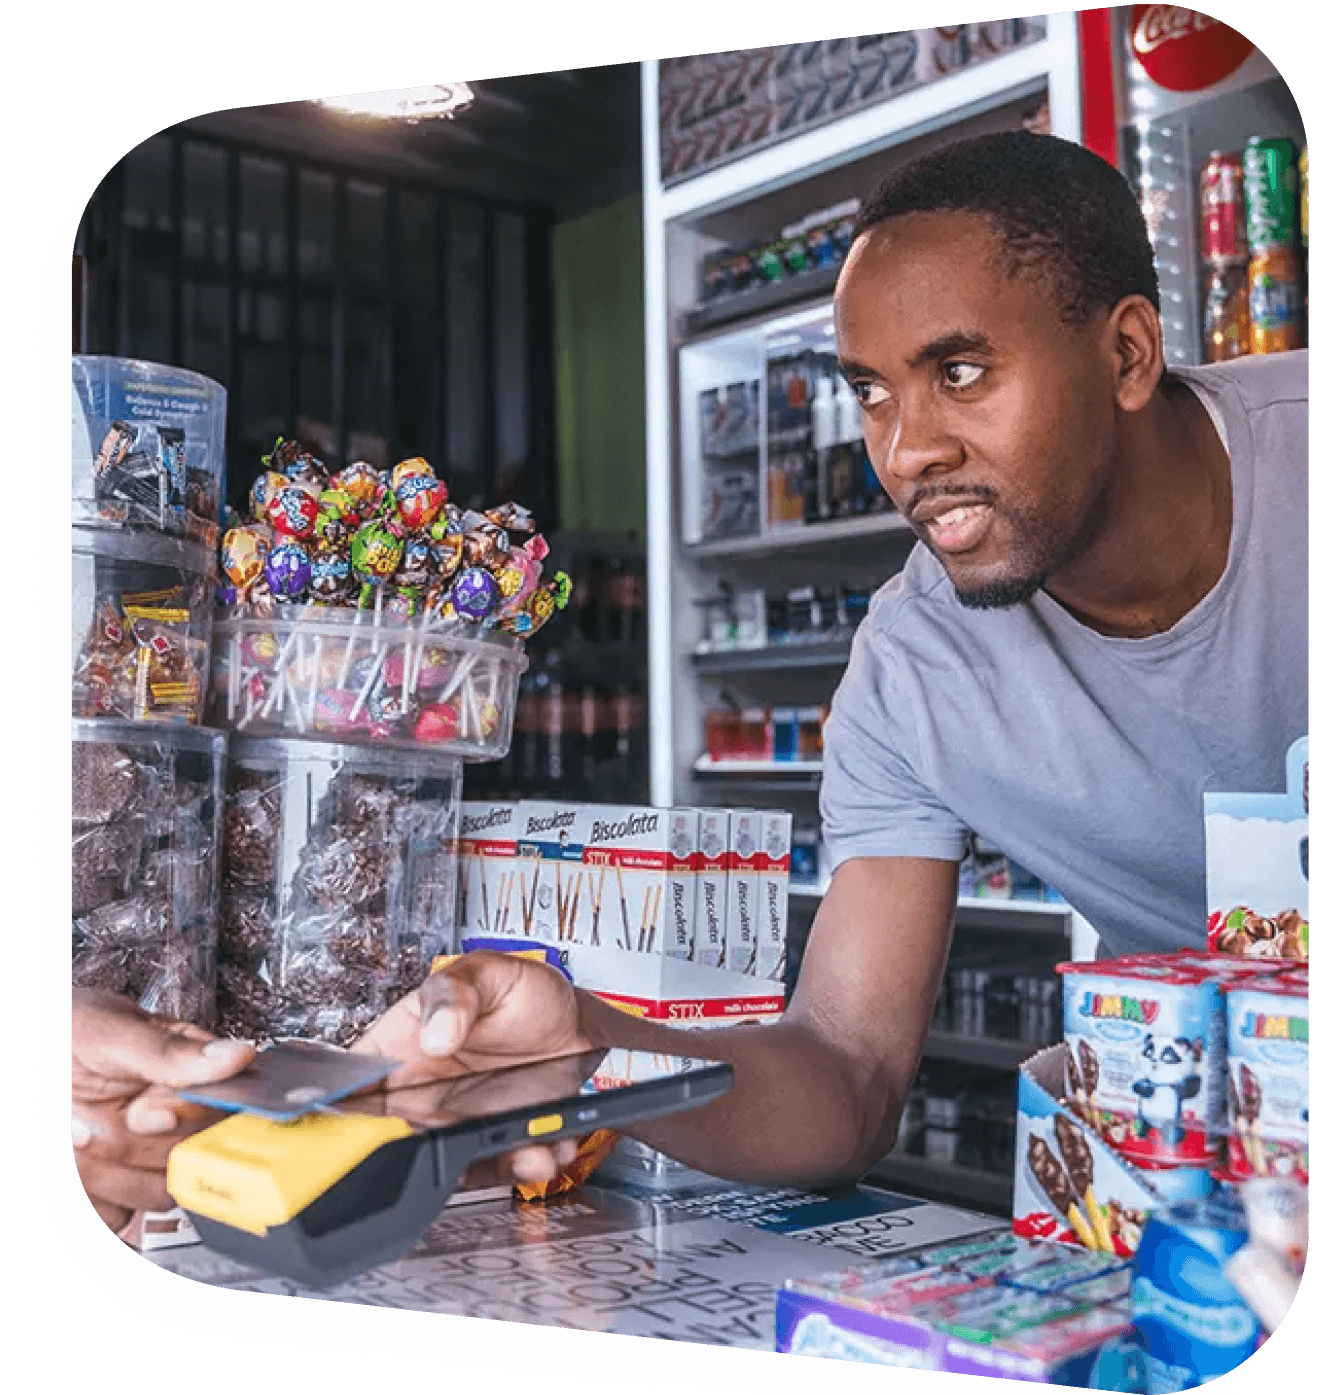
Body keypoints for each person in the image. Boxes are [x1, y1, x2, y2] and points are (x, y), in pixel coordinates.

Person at [75, 130, 1309, 1217]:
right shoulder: (906, 675)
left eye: (960, 372)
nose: (907, 449)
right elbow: (847, 1075)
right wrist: (588, 1050)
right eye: (870, 394)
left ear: (1129, 354)